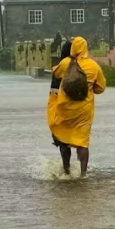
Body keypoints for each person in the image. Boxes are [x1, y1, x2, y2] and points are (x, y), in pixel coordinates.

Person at [50, 37, 107, 177]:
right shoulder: (93, 66)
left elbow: (56, 74)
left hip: (66, 109)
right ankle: (83, 174)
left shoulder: (66, 63)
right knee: (83, 142)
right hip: (84, 110)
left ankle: (66, 171)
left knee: (64, 140)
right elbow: (101, 88)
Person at [48, 40, 73, 173]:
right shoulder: (80, 66)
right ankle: (82, 171)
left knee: (63, 141)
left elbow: (53, 90)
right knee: (80, 142)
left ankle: (66, 169)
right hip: (76, 107)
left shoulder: (59, 68)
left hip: (58, 106)